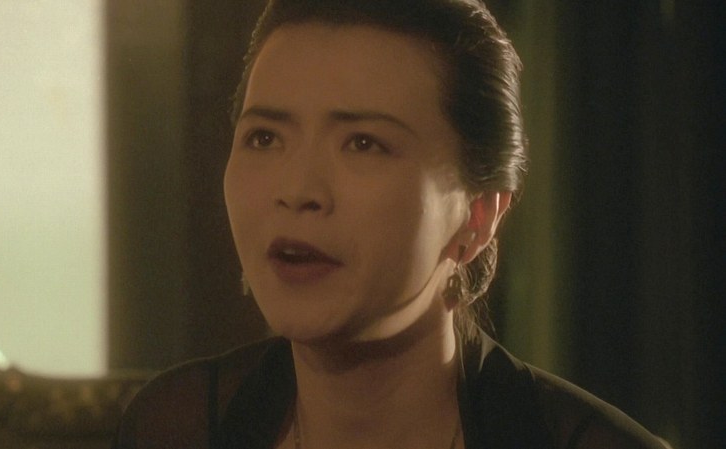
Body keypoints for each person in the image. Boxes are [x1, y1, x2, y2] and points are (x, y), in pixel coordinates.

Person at [113, 1, 668, 448]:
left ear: (478, 215)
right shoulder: (178, 426)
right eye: (264, 137)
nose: (298, 191)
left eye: (363, 144)